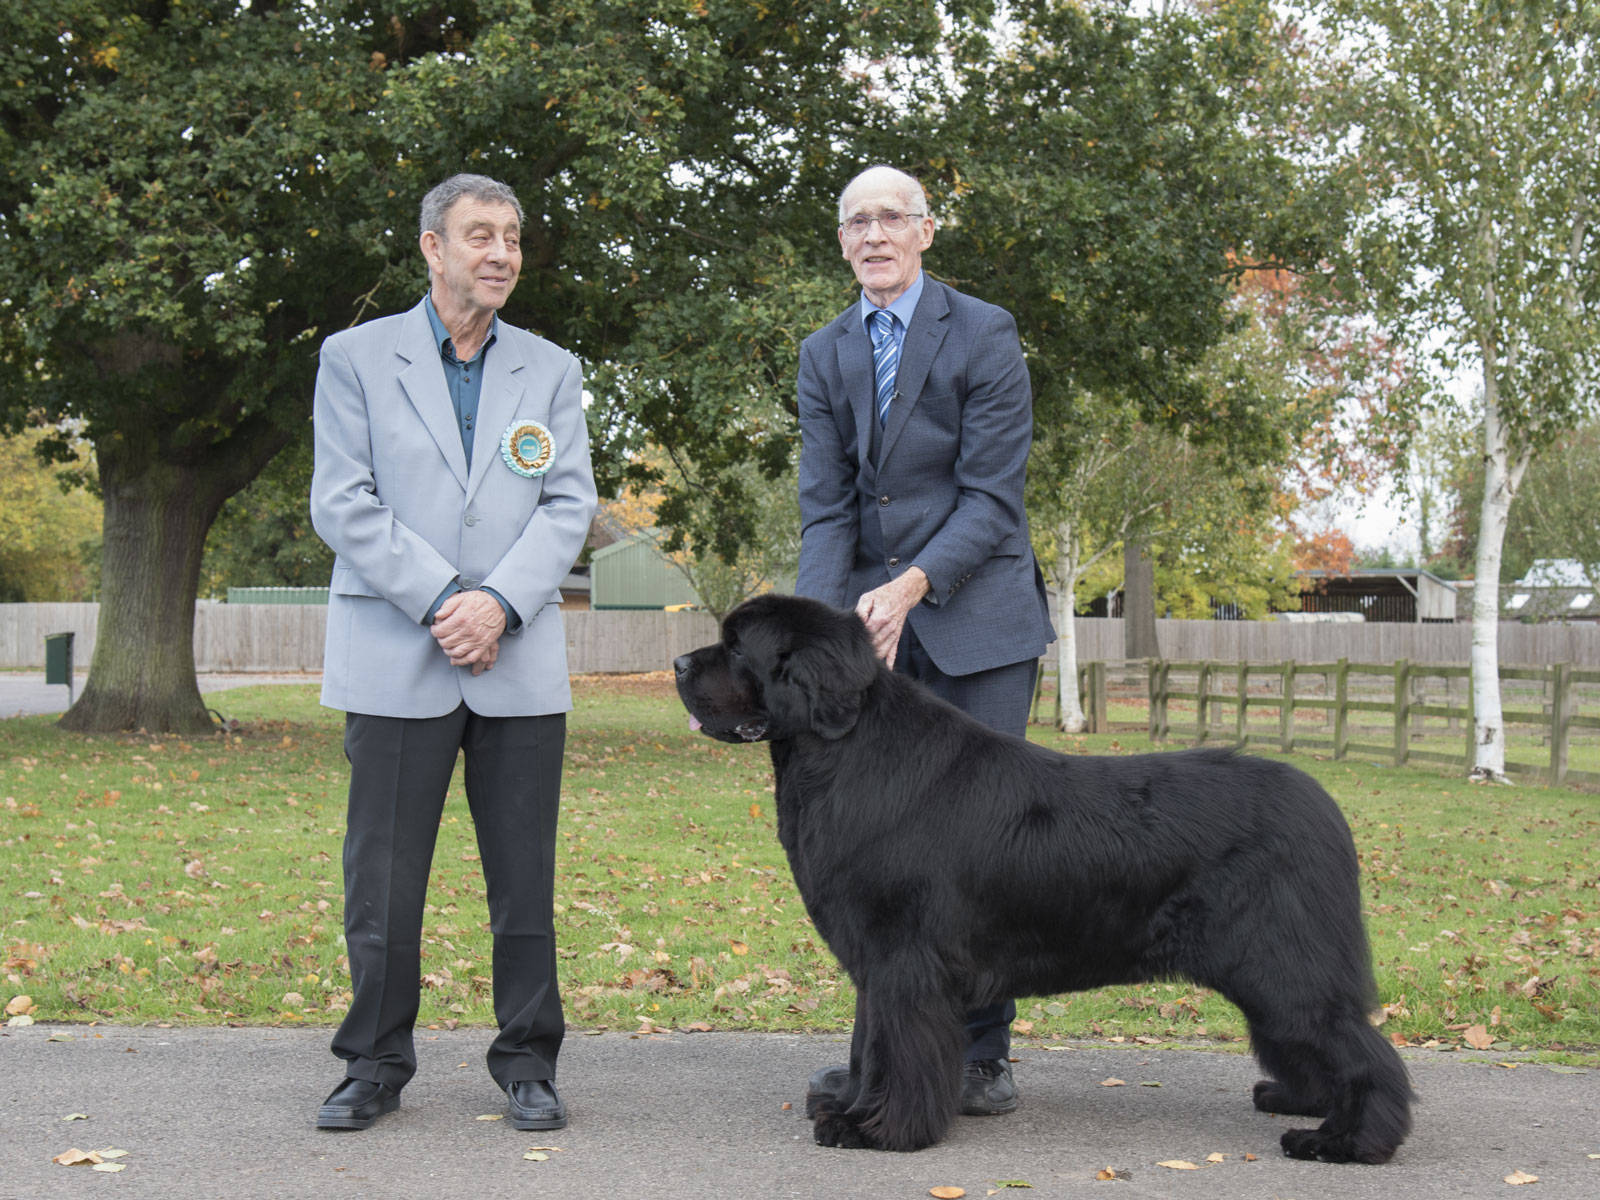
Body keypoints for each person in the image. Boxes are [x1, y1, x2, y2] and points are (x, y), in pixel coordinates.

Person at [309, 173, 596, 1132]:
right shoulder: (354, 358)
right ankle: (374, 1063)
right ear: (433, 247)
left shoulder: (551, 369)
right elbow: (342, 501)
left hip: (516, 658)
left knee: (525, 878)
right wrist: (445, 601)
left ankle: (527, 1061)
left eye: (513, 237)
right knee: (382, 880)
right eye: (481, 235)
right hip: (398, 649)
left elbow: (568, 505)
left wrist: (499, 606)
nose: (502, 253)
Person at [794, 164, 1055, 1116]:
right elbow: (826, 514)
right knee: (885, 855)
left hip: (978, 622)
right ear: (843, 240)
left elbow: (992, 498)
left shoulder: (983, 332)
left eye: (890, 219)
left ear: (926, 231)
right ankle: (894, 1055)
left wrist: (908, 587)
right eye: (856, 221)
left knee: (983, 849)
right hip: (874, 638)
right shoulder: (823, 354)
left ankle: (982, 1055)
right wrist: (823, 639)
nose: (873, 236)